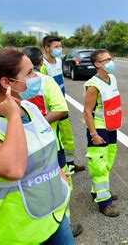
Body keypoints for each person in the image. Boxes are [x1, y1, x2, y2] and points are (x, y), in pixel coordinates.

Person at [0, 49, 73, 244]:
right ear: (6, 82)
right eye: (30, 72)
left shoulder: (31, 108)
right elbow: (13, 169)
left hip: (54, 216)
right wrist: (13, 117)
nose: (37, 77)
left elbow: (48, 154)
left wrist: (63, 185)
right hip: (15, 231)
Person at [22, 46, 83, 238]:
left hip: (25, 148)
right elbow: (61, 109)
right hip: (50, 146)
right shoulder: (45, 81)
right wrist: (35, 125)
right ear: (41, 62)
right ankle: (63, 223)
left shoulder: (8, 85)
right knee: (60, 184)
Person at [83, 50, 122, 217]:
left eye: (110, 58)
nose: (110, 61)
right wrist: (93, 134)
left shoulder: (112, 78)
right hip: (99, 129)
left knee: (108, 161)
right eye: (106, 60)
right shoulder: (93, 85)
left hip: (111, 127)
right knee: (99, 166)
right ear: (98, 64)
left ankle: (98, 191)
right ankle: (104, 202)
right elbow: (87, 111)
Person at [41, 35, 85, 173]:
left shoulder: (59, 62)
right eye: (56, 47)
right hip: (51, 111)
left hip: (61, 107)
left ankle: (70, 163)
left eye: (60, 46)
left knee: (68, 136)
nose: (59, 49)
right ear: (47, 48)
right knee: (53, 139)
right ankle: (55, 169)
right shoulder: (42, 66)